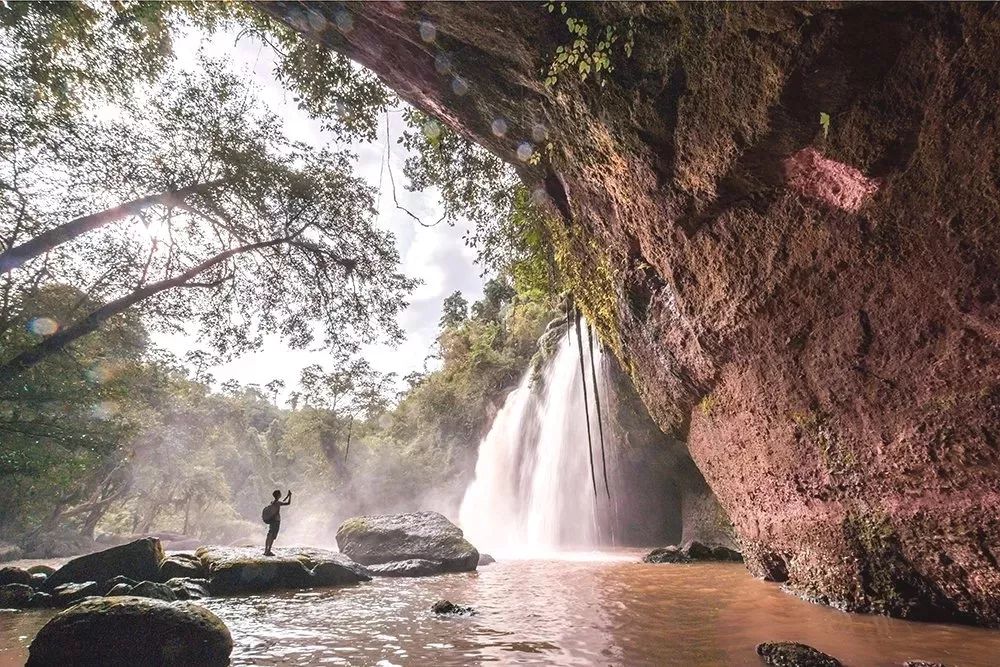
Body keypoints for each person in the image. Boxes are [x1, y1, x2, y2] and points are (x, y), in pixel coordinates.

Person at [263, 489, 292, 556]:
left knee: (269, 535)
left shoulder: (272, 502)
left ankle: (265, 551)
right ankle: (269, 551)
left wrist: (288, 495)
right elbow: (288, 503)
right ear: (278, 495)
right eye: (280, 494)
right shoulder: (278, 503)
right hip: (276, 521)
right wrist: (290, 496)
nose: (281, 495)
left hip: (272, 521)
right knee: (273, 536)